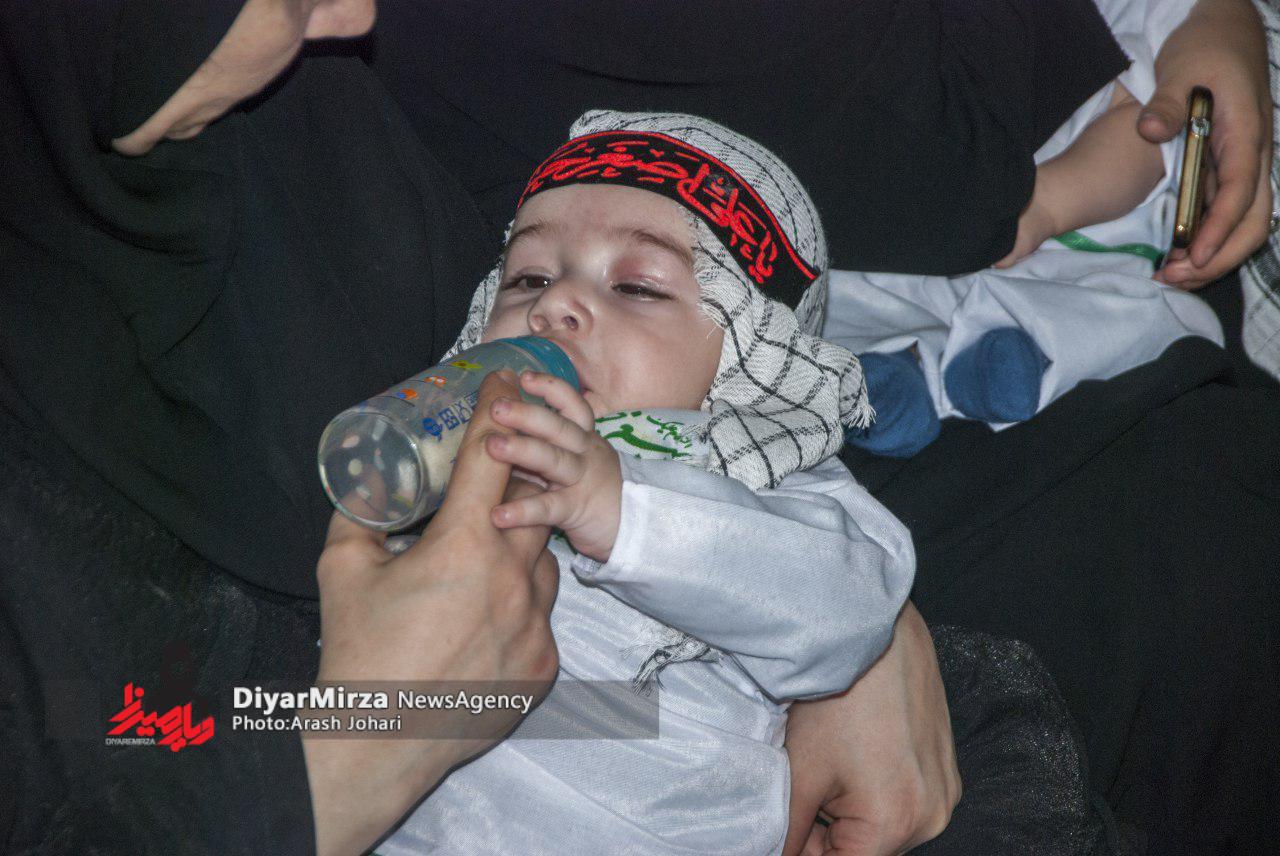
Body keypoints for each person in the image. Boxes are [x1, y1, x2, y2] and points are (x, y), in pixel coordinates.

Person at [0, 0, 1273, 853]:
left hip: (645, 740)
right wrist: (354, 730)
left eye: (632, 285)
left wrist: (829, 627)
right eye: (528, 278)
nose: (352, 13)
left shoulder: (313, 130)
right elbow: (121, 719)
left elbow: (815, 583)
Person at [374, 110, 912, 854]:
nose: (552, 304)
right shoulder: (454, 449)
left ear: (748, 359)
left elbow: (848, 614)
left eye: (636, 287)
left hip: (641, 779)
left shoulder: (772, 481)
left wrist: (624, 512)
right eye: (528, 277)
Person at [833, 0, 1226, 458]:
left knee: (1149, 319)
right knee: (842, 286)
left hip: (1078, 239)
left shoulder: (1088, 31)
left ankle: (1014, 362)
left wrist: (1044, 206)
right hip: (916, 233)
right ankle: (893, 372)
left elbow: (1143, 134)